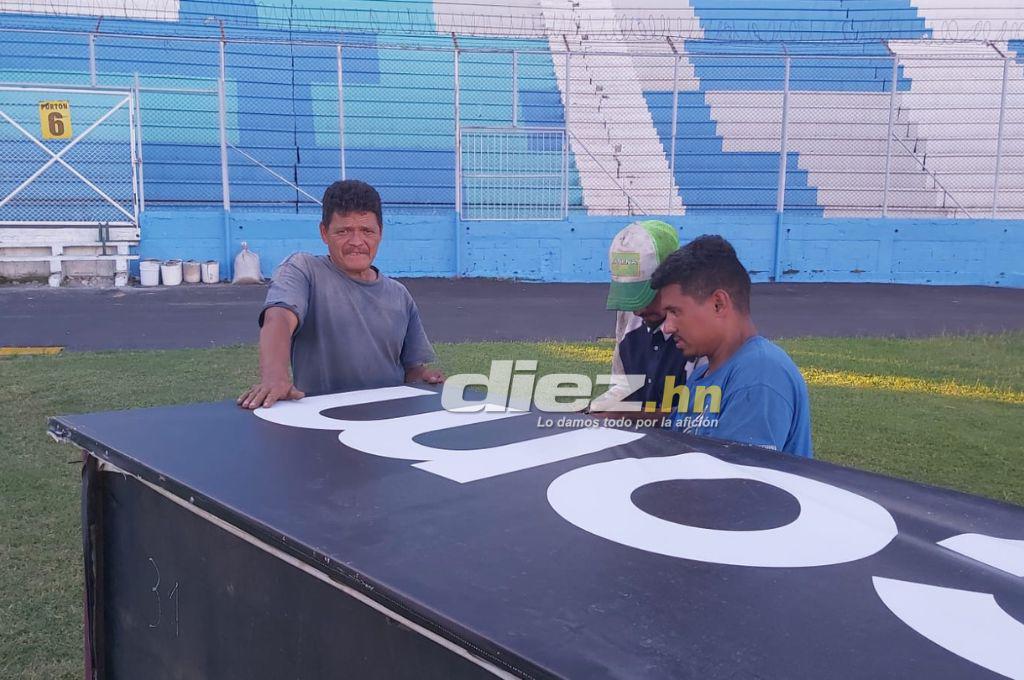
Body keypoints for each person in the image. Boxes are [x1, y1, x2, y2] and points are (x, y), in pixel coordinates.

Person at [238, 179, 443, 410]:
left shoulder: (399, 295)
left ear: (380, 233)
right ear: (324, 233)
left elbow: (411, 370)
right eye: (344, 231)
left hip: (387, 426)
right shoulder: (303, 270)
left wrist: (424, 379)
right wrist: (275, 376)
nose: (357, 242)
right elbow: (279, 318)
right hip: (322, 425)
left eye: (366, 231)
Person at [650, 235, 813, 457]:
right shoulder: (701, 376)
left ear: (718, 304)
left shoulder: (760, 375)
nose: (667, 327)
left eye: (675, 312)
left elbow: (738, 484)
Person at [591, 220, 700, 415]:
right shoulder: (629, 312)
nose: (637, 311)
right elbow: (622, 385)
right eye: (629, 297)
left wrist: (631, 415)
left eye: (645, 295)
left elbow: (704, 417)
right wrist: (597, 408)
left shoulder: (703, 330)